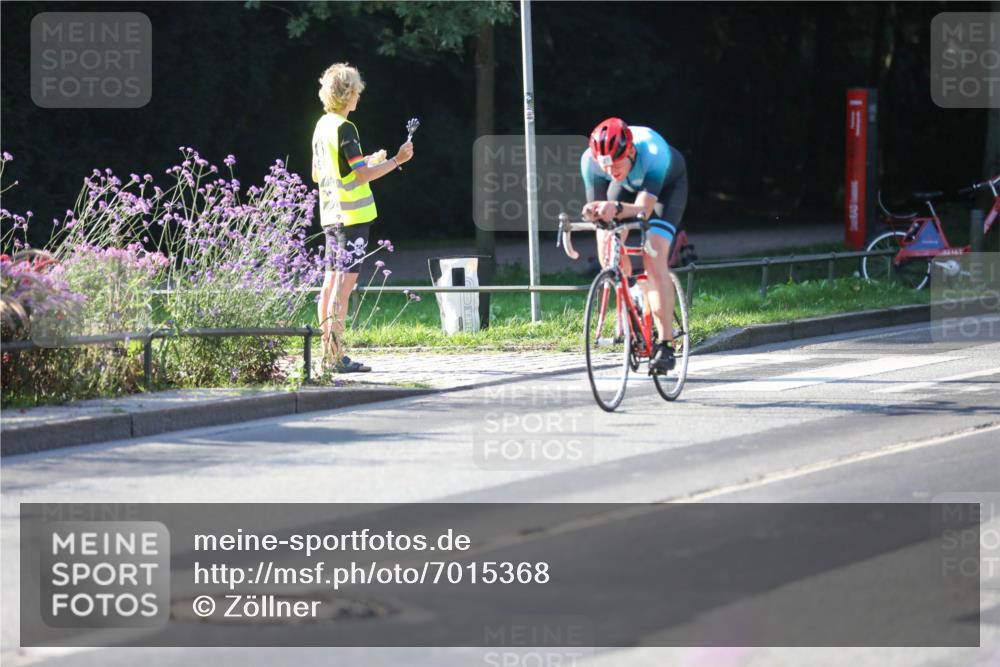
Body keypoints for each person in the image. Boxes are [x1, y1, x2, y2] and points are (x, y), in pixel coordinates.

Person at [311, 63, 414, 372]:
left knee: (329, 286)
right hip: (352, 218)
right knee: (343, 288)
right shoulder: (345, 128)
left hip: (330, 215)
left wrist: (364, 162)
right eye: (356, 91)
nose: (359, 96)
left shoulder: (321, 126)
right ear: (347, 94)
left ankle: (326, 353)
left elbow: (318, 173)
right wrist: (398, 160)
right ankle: (336, 357)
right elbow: (364, 175)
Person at [580, 117, 688, 374]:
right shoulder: (590, 161)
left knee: (654, 255)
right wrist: (594, 214)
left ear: (629, 151)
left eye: (615, 164)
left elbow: (643, 210)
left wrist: (614, 208)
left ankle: (665, 345)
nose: (609, 171)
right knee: (607, 244)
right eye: (604, 166)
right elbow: (600, 215)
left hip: (664, 191)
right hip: (627, 188)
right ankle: (635, 294)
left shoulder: (653, 152)